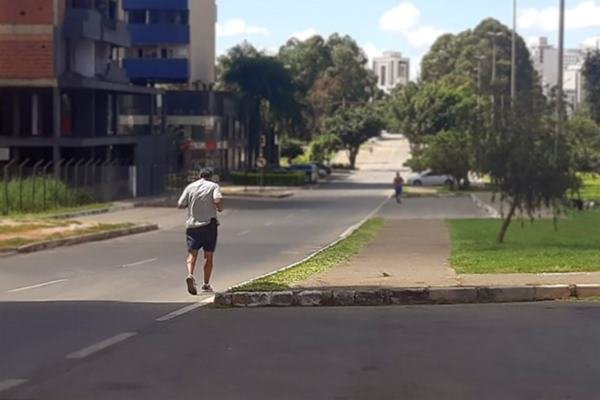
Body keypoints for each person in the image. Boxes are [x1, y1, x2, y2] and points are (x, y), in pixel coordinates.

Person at [177, 168, 224, 295]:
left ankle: (190, 274)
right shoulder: (214, 186)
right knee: (208, 256)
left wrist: (192, 204)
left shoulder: (190, 187)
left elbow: (181, 204)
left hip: (192, 226)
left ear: (199, 176)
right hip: (209, 225)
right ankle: (206, 284)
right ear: (211, 176)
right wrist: (220, 208)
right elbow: (217, 200)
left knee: (192, 254)